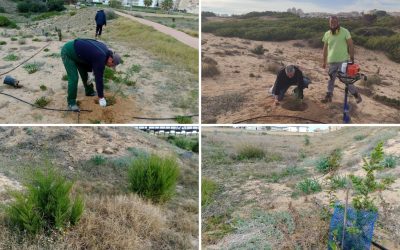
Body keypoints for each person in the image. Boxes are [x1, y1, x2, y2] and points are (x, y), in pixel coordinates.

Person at [61, 38, 121, 111]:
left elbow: (91, 58)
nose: (110, 67)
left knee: (87, 74)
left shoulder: (105, 52)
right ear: (111, 59)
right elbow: (99, 78)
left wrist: (90, 73)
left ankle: (89, 91)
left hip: (80, 55)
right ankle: (71, 103)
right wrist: (101, 97)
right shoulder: (101, 57)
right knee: (74, 78)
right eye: (112, 65)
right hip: (69, 52)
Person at [322, 16, 362, 103]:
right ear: (329, 23)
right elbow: (325, 48)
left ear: (338, 22)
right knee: (331, 79)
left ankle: (356, 94)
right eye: (331, 22)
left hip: (343, 61)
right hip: (332, 61)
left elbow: (351, 45)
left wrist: (352, 58)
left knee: (346, 79)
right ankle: (329, 95)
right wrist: (324, 61)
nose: (333, 23)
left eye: (335, 22)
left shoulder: (345, 31)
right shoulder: (327, 34)